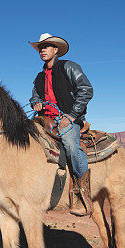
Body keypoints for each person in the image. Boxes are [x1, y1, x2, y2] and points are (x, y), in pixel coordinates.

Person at [29, 33, 93, 216]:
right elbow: (35, 95)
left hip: (68, 119)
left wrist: (72, 116)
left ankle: (83, 195)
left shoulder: (69, 67)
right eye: (40, 47)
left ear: (56, 50)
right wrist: (36, 102)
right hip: (44, 120)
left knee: (72, 147)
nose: (42, 50)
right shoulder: (39, 77)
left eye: (46, 46)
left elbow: (86, 90)